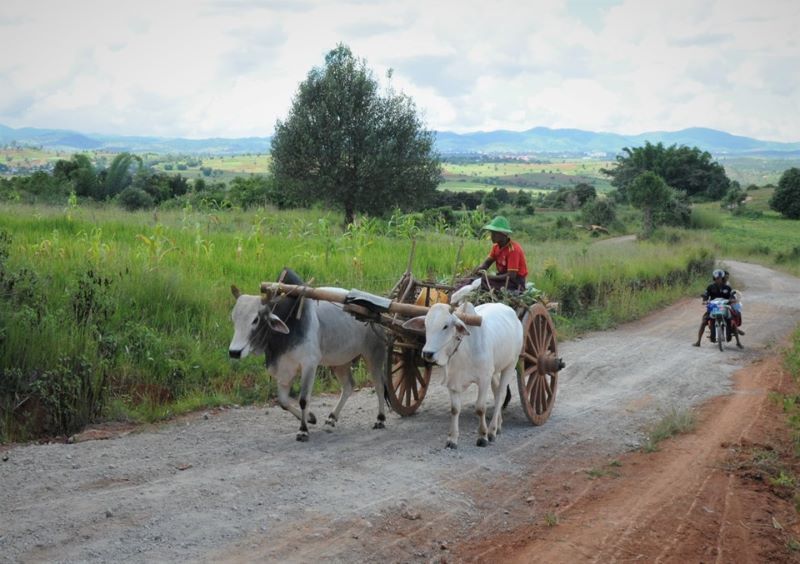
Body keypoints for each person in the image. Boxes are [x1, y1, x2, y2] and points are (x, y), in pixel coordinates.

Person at [472, 216, 528, 291]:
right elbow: (487, 263)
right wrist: (478, 270)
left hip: (515, 283)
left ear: (503, 234)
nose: (492, 236)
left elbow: (511, 276)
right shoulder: (496, 247)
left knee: (483, 282)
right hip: (502, 279)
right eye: (491, 233)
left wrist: (489, 277)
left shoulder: (513, 250)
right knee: (474, 279)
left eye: (495, 234)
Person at [693, 268, 733, 347]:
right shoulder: (710, 287)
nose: (719, 280)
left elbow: (731, 297)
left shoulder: (727, 288)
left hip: (724, 307)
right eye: (717, 278)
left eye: (720, 278)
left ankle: (733, 337)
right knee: (704, 322)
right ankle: (698, 341)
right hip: (713, 307)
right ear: (714, 279)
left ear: (722, 278)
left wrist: (732, 300)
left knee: (732, 319)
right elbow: (706, 295)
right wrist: (705, 300)